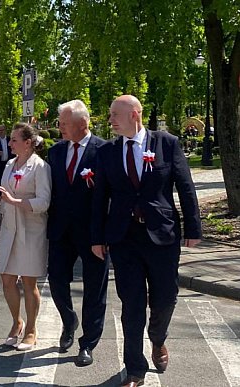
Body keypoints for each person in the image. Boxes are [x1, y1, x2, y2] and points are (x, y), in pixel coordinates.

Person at [91, 95, 201, 387]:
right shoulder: (107, 152)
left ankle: (158, 337)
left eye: (116, 114)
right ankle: (135, 369)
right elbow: (99, 197)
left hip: (162, 236)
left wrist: (193, 228)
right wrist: (97, 237)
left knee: (165, 298)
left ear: (135, 115)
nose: (111, 118)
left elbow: (186, 187)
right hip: (124, 238)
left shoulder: (166, 143)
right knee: (132, 304)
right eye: (111, 113)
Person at [47, 100, 108, 366]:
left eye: (64, 123)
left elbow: (109, 196)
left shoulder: (104, 150)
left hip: (93, 233)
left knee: (95, 289)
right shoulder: (56, 151)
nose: (59, 127)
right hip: (61, 230)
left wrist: (104, 235)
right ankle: (68, 319)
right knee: (57, 281)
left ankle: (88, 343)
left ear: (82, 124)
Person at [0, 122, 51, 352]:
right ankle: (17, 321)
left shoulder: (40, 167)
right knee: (7, 278)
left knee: (28, 281)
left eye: (14, 140)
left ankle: (31, 330)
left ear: (28, 143)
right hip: (9, 229)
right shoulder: (9, 164)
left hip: (31, 230)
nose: (9, 143)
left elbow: (44, 202)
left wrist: (16, 202)